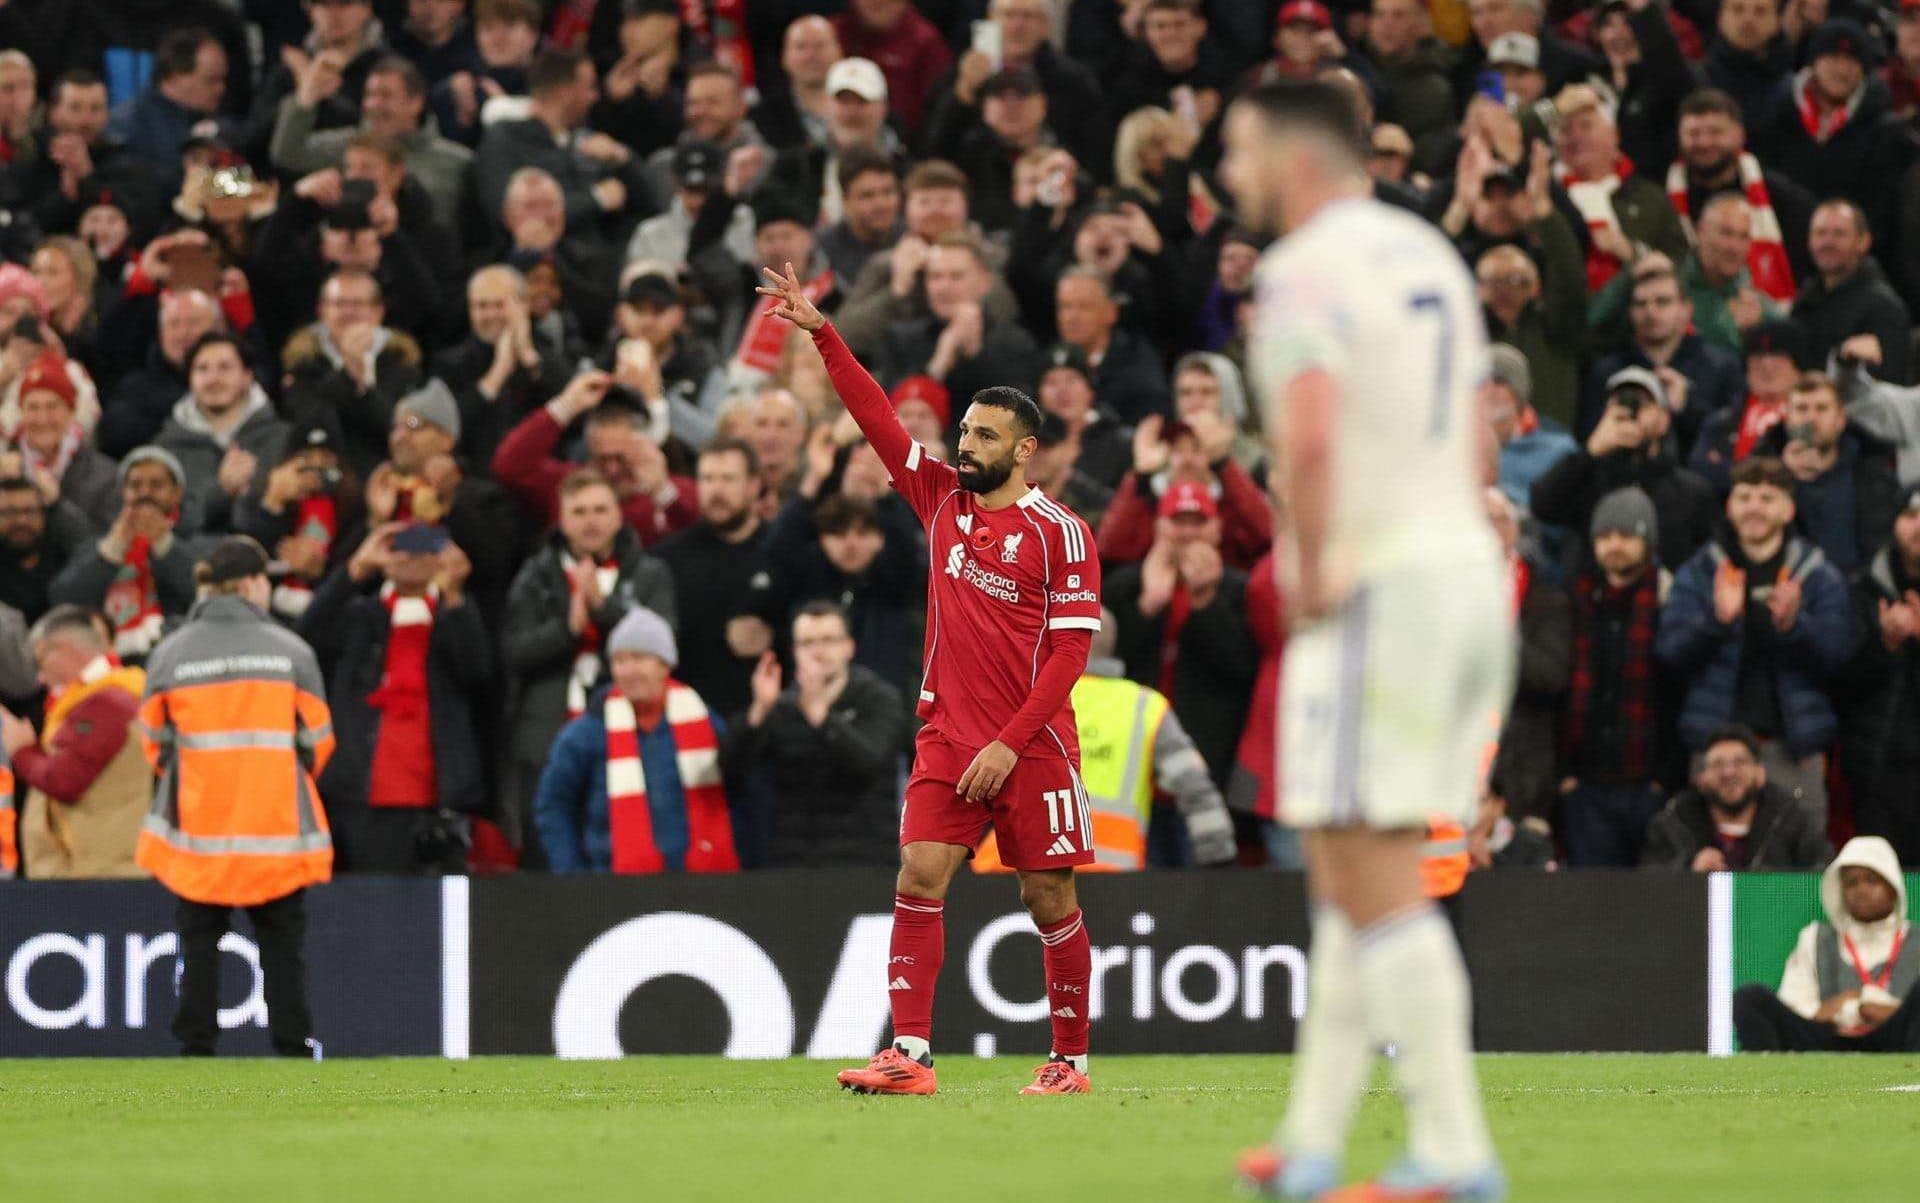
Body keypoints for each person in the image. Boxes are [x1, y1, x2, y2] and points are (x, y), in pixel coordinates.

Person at [1224, 82, 1513, 1202]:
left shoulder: (1303, 267)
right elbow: (1478, 421)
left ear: (1291, 157)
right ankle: (1309, 1141)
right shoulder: (1429, 253)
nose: (1232, 172)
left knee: (1371, 867)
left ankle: (1452, 1153)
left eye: (1242, 149)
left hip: (1380, 584)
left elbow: (1307, 426)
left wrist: (1309, 552)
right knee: (1352, 864)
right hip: (1462, 575)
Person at [759, 253, 1103, 1096]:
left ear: (1025, 449)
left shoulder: (1062, 534)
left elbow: (1068, 657)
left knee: (1048, 895)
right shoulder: (939, 499)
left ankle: (1069, 1060)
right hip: (949, 733)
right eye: (963, 433)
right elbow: (875, 416)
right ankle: (908, 1055)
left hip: (1035, 745)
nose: (966, 445)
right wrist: (824, 333)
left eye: (984, 435)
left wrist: (1012, 744)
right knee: (918, 870)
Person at [136, 536, 335, 1057]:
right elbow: (319, 742)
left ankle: (196, 1047)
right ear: (250, 584)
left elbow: (153, 745)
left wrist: (199, 780)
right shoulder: (291, 652)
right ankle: (293, 1045)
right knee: (283, 947)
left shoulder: (170, 654)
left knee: (198, 943)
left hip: (201, 829)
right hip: (276, 830)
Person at [1656, 457, 1853, 829]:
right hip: (1715, 753)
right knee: (1713, 876)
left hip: (1792, 752)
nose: (1754, 508)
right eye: (1744, 497)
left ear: (1788, 508)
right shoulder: (1700, 572)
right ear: (1729, 506)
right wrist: (1716, 622)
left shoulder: (1817, 575)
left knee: (1798, 876)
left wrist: (1795, 626)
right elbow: (1669, 652)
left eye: (1766, 498)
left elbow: (1840, 656)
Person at [502, 469, 677, 866]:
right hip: (546, 733)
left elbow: (666, 642)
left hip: (634, 734)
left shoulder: (650, 574)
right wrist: (569, 628)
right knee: (547, 841)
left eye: (600, 509)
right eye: (579, 511)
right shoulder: (536, 576)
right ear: (562, 520)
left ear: (619, 516)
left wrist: (604, 608)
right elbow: (514, 650)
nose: (591, 520)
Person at [300, 521, 492, 875]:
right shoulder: (361, 615)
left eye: (426, 549)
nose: (413, 558)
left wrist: (454, 593)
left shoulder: (455, 612)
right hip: (360, 791)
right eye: (400, 547)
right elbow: (308, 632)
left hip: (439, 795)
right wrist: (356, 569)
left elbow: (477, 672)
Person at [983, 604, 1237, 871]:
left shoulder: (1021, 698)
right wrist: (1218, 863)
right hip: (1111, 875)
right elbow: (1195, 789)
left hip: (1011, 872)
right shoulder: (1145, 706)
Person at [532, 607, 739, 875]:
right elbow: (552, 806)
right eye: (619, 661)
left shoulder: (705, 724)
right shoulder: (585, 732)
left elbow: (741, 791)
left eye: (639, 658)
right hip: (610, 889)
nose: (628, 670)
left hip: (699, 882)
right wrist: (573, 876)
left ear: (665, 664)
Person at [733, 600, 907, 867]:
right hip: (794, 865)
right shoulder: (782, 706)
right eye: (807, 643)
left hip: (867, 860)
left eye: (828, 640)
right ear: (794, 651)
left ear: (849, 647)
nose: (818, 652)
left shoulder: (879, 698)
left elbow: (869, 763)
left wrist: (821, 715)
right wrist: (759, 711)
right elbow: (734, 773)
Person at [1558, 488, 1674, 867]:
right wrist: (1566, 775)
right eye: (1604, 537)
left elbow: (1677, 692)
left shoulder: (1670, 599)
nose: (1614, 546)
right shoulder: (1577, 599)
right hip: (1586, 785)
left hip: (1648, 784)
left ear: (1647, 541)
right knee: (1596, 908)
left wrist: (1664, 778)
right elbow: (1563, 690)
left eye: (1625, 536)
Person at [0, 605, 149, 878]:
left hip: (102, 876)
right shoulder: (96, 700)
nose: (41, 677)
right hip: (91, 870)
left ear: (63, 649)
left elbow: (65, 780)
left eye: (41, 660)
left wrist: (22, 751)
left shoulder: (110, 701)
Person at [1735, 836, 1920, 1052]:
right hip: (1826, 1041)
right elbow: (1796, 1004)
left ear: (1892, 887)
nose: (1861, 890)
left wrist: (1871, 1008)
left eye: (1871, 880)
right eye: (1852, 882)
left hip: (1896, 1041)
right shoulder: (1815, 937)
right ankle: (1765, 1080)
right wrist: (1846, 1009)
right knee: (1750, 998)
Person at [1840, 484, 1920, 863]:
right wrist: (1885, 644)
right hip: (1878, 772)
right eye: (1910, 515)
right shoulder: (1862, 591)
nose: (1919, 526)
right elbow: (1838, 683)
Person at [1640, 724, 1830, 871]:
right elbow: (1648, 884)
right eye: (1717, 764)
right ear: (1701, 779)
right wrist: (1689, 871)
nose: (1729, 772)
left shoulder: (1794, 821)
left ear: (1760, 773)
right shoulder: (1672, 824)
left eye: (1740, 762)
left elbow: (1822, 874)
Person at [1792, 200, 1913, 385]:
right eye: (1820, 233)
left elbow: (1889, 385)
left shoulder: (1883, 307)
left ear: (1863, 241)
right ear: (1809, 240)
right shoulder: (1804, 300)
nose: (1827, 242)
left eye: (1839, 234)